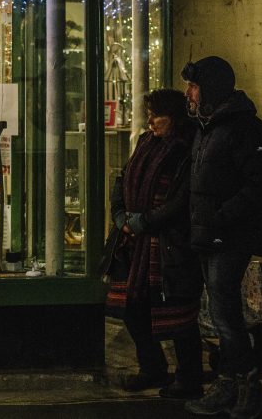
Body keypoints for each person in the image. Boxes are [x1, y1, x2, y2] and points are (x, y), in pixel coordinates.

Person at [181, 56, 262, 419]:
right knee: (220, 314)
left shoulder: (243, 129)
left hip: (230, 237)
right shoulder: (207, 128)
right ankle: (231, 382)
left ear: (211, 88)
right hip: (210, 236)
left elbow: (261, 184)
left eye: (195, 86)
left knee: (225, 313)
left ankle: (246, 384)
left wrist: (220, 219)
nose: (189, 93)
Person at [104, 88, 203, 399]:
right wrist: (121, 215)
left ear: (173, 118)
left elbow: (180, 200)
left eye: (157, 115)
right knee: (132, 306)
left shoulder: (185, 150)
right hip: (134, 244)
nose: (151, 121)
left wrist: (144, 221)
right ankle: (152, 367)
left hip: (167, 245)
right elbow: (123, 177)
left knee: (178, 313)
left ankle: (189, 377)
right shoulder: (146, 143)